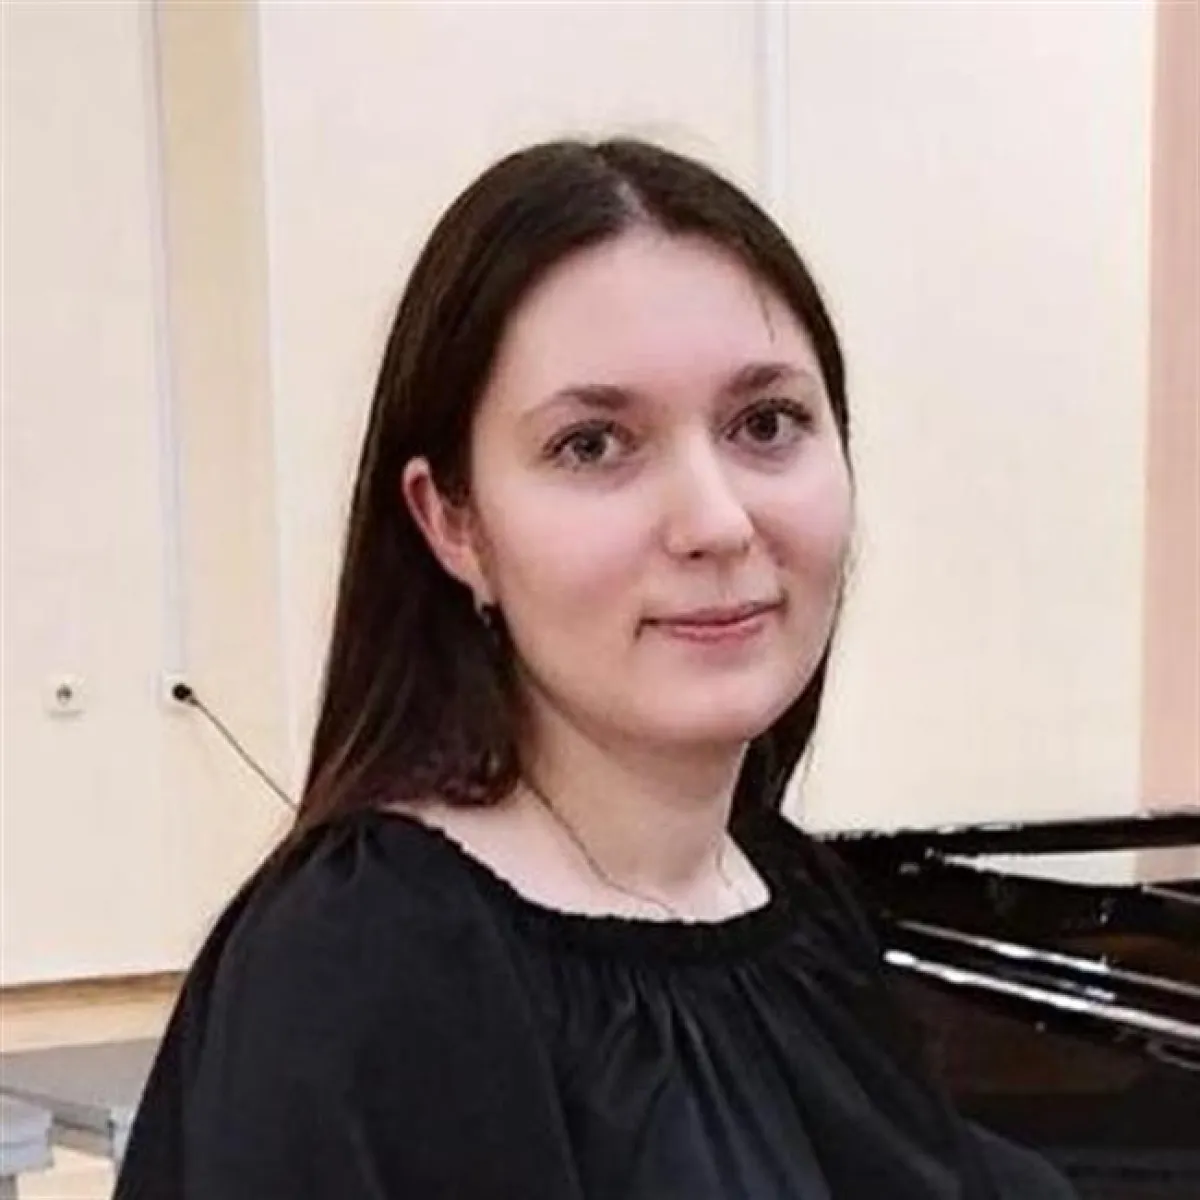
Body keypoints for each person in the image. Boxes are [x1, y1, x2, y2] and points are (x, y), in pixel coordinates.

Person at [114, 139, 1076, 1199]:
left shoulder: (787, 896)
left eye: (767, 424)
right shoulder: (360, 956)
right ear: (453, 523)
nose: (717, 522)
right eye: (593, 445)